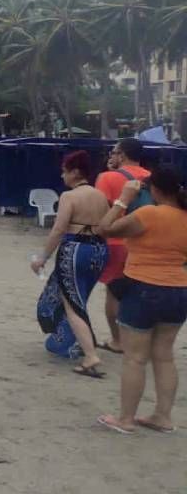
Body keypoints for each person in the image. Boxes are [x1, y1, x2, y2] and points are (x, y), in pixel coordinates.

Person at [96, 167, 187, 434]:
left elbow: (105, 228)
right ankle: (162, 416)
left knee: (135, 358)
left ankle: (125, 419)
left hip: (144, 286)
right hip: (178, 289)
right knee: (164, 356)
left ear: (155, 189)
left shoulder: (148, 214)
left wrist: (123, 199)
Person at [30, 151, 110, 373]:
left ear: (75, 172)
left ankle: (90, 355)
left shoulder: (69, 197)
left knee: (72, 303)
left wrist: (42, 258)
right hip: (99, 249)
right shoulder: (100, 196)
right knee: (79, 298)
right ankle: (77, 342)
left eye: (65, 171)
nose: (62, 175)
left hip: (75, 249)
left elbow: (58, 229)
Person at [94, 138, 151, 355]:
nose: (111, 156)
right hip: (146, 242)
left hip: (117, 242)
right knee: (142, 292)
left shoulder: (107, 178)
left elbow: (100, 212)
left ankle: (118, 341)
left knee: (114, 292)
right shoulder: (151, 178)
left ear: (122, 155)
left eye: (114, 152)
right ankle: (142, 339)